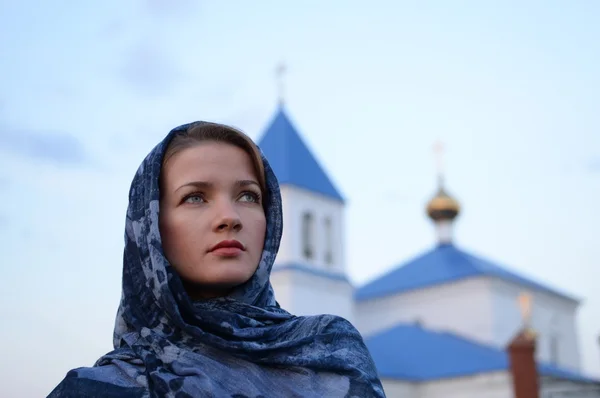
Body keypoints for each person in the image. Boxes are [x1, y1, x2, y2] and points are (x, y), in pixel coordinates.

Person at [48, 121, 385, 397]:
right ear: (150, 225)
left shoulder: (332, 355)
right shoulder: (96, 390)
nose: (229, 216)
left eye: (248, 196)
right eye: (195, 197)